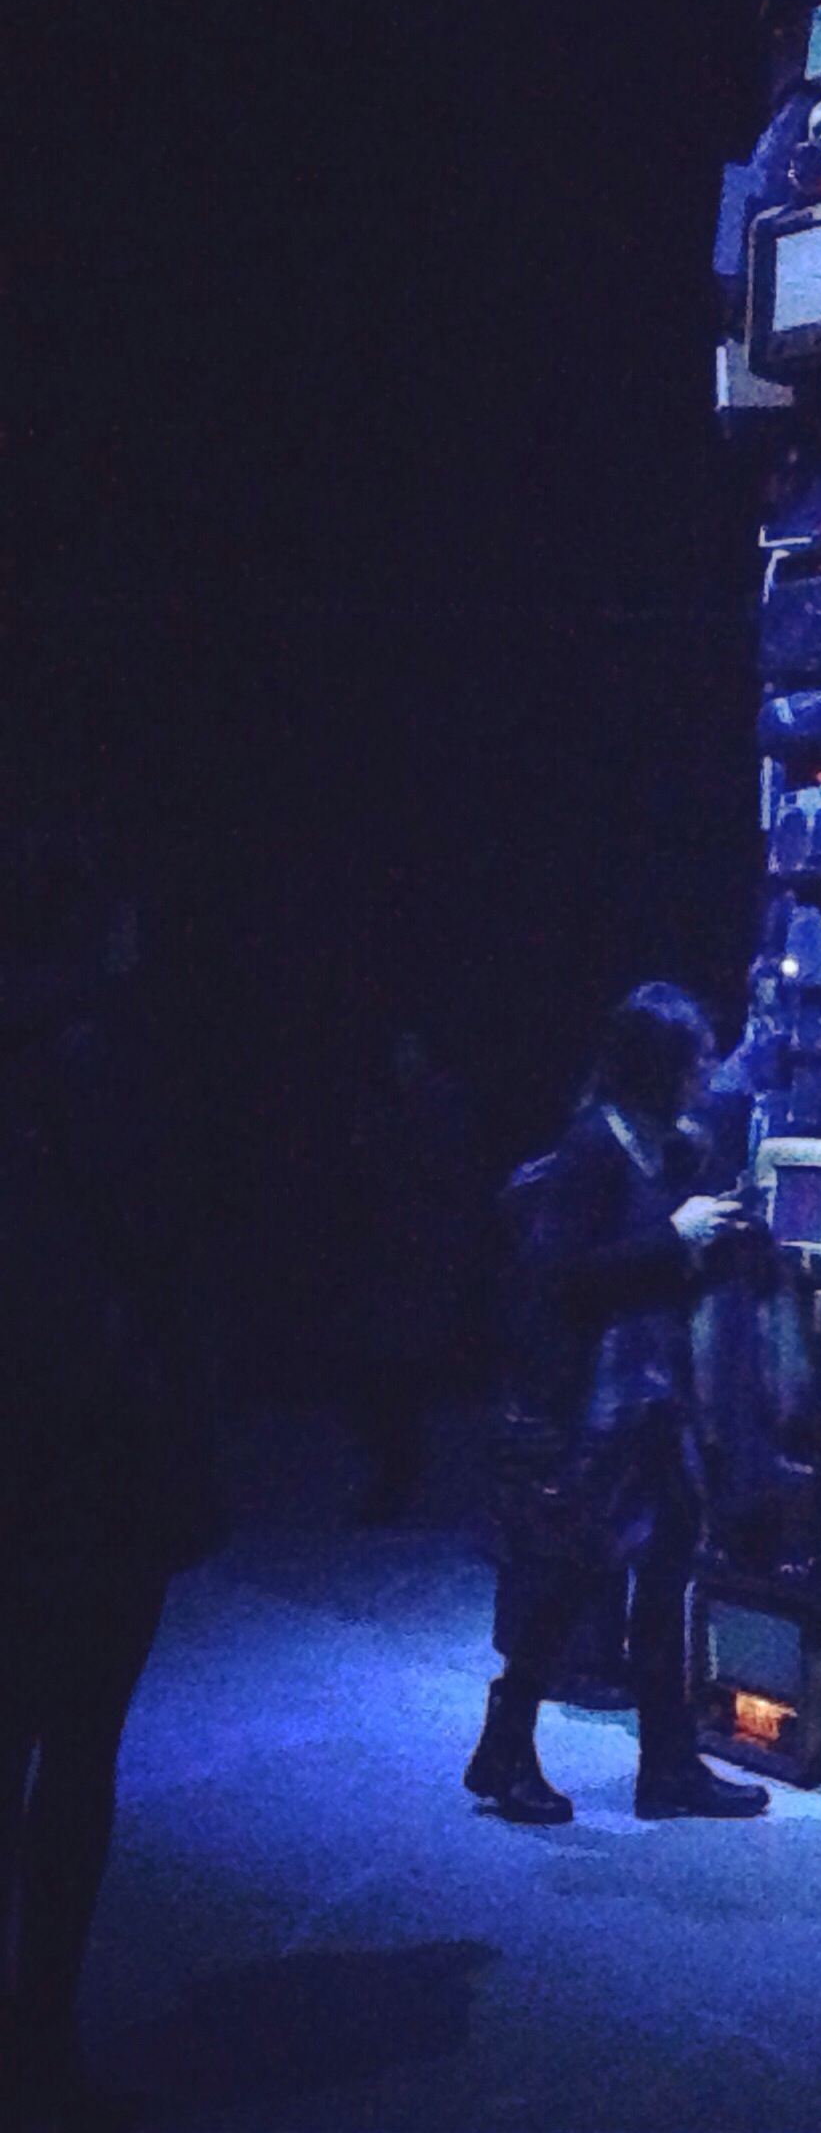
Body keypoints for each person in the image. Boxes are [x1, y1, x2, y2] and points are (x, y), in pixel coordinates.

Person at [1, 846, 225, 2132]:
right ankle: (39, 2043)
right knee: (77, 1752)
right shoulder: (101, 1061)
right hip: (84, 1459)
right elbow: (160, 1254)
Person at [463, 982, 770, 1825]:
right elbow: (562, 1277)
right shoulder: (596, 1145)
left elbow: (660, 1272)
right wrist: (676, 1236)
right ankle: (505, 1745)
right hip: (597, 1405)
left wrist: (718, 1240)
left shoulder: (668, 1144)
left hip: (653, 1397)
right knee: (571, 1574)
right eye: (696, 1058)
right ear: (657, 1066)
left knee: (666, 1572)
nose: (708, 1071)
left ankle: (667, 1765)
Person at [339, 1030, 482, 1525]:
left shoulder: (442, 1104)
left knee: (401, 1368)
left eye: (411, 1047)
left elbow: (443, 1173)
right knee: (377, 1368)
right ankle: (392, 1470)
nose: (402, 1058)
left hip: (422, 1256)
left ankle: (400, 1475)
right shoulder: (383, 1103)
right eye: (397, 1048)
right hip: (385, 1256)